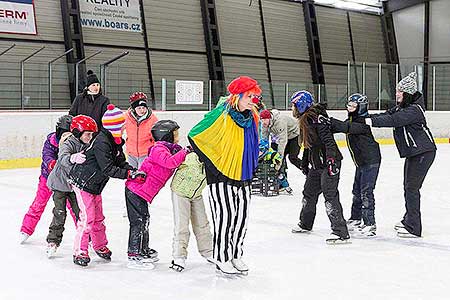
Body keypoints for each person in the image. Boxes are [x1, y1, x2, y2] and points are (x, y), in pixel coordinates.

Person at [189, 76, 261, 275]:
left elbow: (253, 144)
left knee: (241, 219)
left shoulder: (252, 115)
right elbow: (195, 134)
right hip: (221, 176)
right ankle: (222, 257)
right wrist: (213, 166)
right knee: (225, 218)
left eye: (254, 97)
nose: (252, 100)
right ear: (237, 95)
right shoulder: (221, 113)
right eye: (249, 96)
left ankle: (236, 254)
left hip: (244, 174)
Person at [69, 104, 142, 267]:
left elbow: (120, 161)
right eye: (122, 125)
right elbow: (108, 168)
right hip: (83, 183)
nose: (124, 128)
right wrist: (128, 175)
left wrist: (132, 170)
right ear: (115, 126)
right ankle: (79, 250)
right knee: (87, 218)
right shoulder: (102, 142)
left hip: (95, 185)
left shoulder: (115, 141)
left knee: (98, 218)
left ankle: (99, 245)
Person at [367, 72, 436, 238]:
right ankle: (408, 219)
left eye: (400, 92)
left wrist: (368, 122)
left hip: (423, 152)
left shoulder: (414, 110)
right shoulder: (403, 107)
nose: (397, 94)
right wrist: (364, 117)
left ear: (408, 94)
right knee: (408, 186)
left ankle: (414, 227)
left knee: (412, 188)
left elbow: (393, 120)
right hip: (414, 152)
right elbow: (386, 115)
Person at [125, 120, 189, 270]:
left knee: (144, 220)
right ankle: (134, 253)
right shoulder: (158, 149)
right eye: (175, 134)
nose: (178, 137)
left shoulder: (166, 148)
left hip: (141, 192)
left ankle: (143, 249)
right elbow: (170, 162)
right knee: (138, 222)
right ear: (166, 136)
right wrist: (185, 152)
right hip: (135, 190)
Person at [290, 90, 350, 244]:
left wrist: (330, 160)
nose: (293, 109)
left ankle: (340, 232)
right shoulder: (306, 119)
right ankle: (305, 224)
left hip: (329, 163)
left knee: (330, 195)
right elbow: (309, 145)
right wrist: (305, 163)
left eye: (295, 105)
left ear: (302, 105)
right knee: (309, 193)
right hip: (317, 164)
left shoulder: (318, 119)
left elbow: (329, 142)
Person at [325, 93, 381, 237]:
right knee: (356, 191)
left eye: (353, 106)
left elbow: (345, 127)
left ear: (361, 108)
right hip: (361, 163)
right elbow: (341, 126)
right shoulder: (351, 119)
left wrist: (329, 120)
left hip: (371, 161)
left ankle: (370, 224)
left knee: (366, 192)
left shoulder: (362, 122)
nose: (350, 108)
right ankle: (356, 218)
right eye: (348, 105)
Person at [45, 115, 98, 257]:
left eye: (92, 134)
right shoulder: (68, 143)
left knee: (81, 213)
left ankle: (88, 239)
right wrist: (71, 158)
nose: (90, 137)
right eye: (88, 134)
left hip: (75, 186)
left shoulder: (88, 144)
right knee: (59, 213)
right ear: (78, 132)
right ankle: (53, 241)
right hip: (60, 184)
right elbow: (62, 158)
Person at [19, 115, 76, 243]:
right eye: (64, 133)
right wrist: (52, 164)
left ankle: (85, 234)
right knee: (39, 203)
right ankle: (26, 229)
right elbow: (47, 156)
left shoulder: (75, 144)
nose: (66, 137)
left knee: (74, 208)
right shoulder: (51, 142)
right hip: (47, 178)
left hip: (66, 181)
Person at [169, 151, 213, 272]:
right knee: (182, 225)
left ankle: (208, 252)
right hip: (180, 193)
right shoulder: (190, 158)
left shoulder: (213, 162)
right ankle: (179, 256)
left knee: (202, 223)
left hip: (196, 194)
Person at [260, 109, 302, 193]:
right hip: (280, 136)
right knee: (274, 156)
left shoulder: (280, 122)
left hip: (294, 135)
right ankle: (282, 183)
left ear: (270, 118)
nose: (263, 122)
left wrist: (279, 160)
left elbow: (282, 142)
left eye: (265, 119)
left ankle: (307, 170)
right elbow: (264, 140)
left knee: (292, 157)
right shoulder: (264, 125)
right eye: (262, 120)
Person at [124, 91, 158, 169]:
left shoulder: (152, 119)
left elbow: (156, 137)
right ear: (133, 108)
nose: (142, 110)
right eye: (139, 108)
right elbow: (119, 129)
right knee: (131, 175)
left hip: (145, 153)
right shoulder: (126, 117)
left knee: (142, 175)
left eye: (144, 107)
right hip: (131, 153)